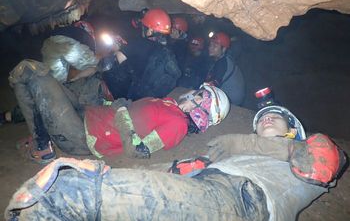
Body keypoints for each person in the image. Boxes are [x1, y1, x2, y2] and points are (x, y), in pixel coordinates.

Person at [5, 106, 346, 221]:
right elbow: (173, 173)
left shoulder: (308, 150)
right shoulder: (230, 153)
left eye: (276, 118)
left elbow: (331, 161)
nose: (268, 118)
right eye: (263, 118)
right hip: (205, 191)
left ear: (294, 130)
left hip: (242, 199)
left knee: (68, 191)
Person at [9, 58, 230, 164]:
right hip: (88, 113)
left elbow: (138, 149)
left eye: (200, 95)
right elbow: (131, 112)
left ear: (203, 109)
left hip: (83, 135)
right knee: (36, 78)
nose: (194, 92)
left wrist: (121, 110)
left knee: (31, 71)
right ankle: (40, 133)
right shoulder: (169, 104)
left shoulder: (178, 124)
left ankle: (42, 145)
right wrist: (113, 105)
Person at [102, 8, 181, 100]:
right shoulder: (167, 50)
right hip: (153, 99)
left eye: (144, 26)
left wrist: (115, 50)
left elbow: (113, 63)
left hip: (132, 98)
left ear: (150, 30)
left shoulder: (137, 44)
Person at [206, 31, 245, 106]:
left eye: (215, 46)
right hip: (233, 96)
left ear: (223, 49)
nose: (210, 48)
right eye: (210, 45)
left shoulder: (222, 64)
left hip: (232, 102)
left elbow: (212, 86)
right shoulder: (225, 57)